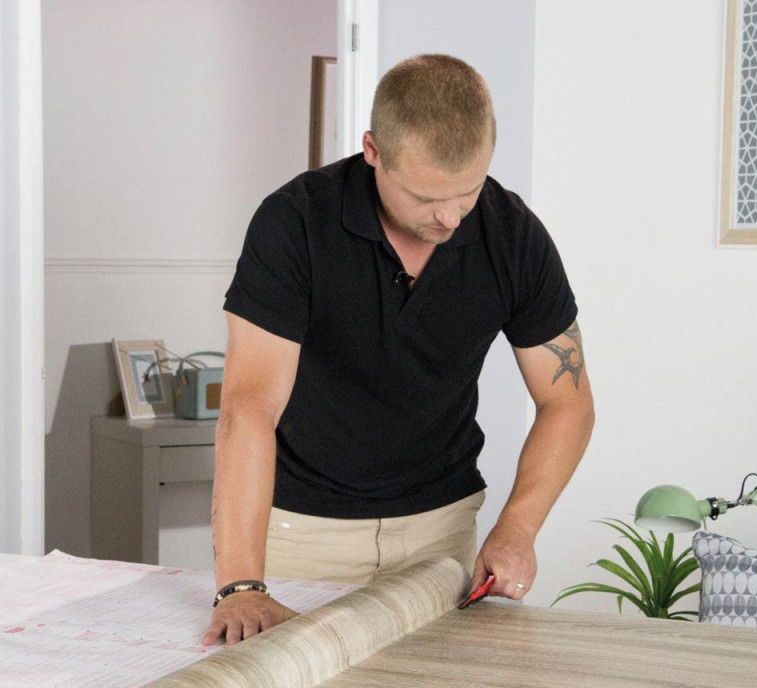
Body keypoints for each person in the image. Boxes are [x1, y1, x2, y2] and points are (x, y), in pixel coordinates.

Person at [203, 54, 594, 650]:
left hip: (442, 534)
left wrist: (517, 526)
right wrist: (239, 585)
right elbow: (248, 408)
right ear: (373, 151)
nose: (449, 217)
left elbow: (567, 403)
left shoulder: (512, 234)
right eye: (425, 196)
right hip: (301, 533)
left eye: (467, 192)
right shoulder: (295, 223)